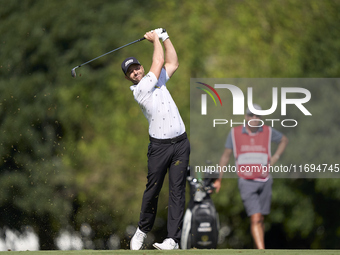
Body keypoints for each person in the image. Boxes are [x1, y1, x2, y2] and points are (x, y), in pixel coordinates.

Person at [121, 28, 190, 250]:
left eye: (137, 67)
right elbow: (159, 59)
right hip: (160, 148)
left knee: (177, 191)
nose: (135, 72)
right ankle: (142, 231)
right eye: (130, 72)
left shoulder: (158, 79)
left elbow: (173, 62)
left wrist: (166, 36)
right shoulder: (140, 90)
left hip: (180, 143)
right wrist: (154, 40)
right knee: (153, 190)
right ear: (128, 78)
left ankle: (173, 240)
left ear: (142, 67)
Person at [213, 104, 288, 249]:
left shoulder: (267, 130)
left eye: (257, 116)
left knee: (260, 218)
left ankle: (257, 248)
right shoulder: (234, 133)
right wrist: (218, 179)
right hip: (246, 181)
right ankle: (261, 251)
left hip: (265, 179)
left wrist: (275, 158)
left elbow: (284, 140)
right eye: (251, 115)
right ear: (246, 117)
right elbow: (225, 157)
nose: (254, 118)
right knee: (255, 217)